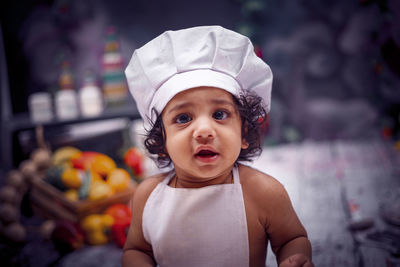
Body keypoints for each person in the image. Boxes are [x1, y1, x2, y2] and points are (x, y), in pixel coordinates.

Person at [122, 25, 313, 267]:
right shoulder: (148, 196)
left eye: (220, 114)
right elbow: (137, 250)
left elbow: (292, 239)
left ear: (244, 133)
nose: (203, 131)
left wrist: (295, 257)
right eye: (183, 118)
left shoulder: (263, 192)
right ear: (162, 142)